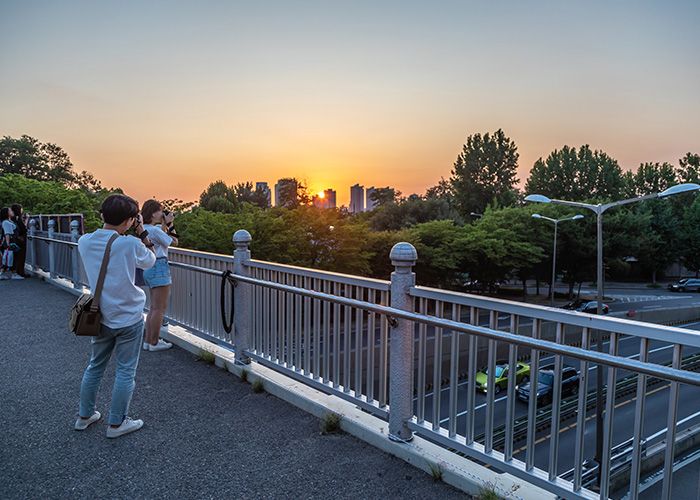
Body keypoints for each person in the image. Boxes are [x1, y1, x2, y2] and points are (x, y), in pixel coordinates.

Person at [75, 194, 156, 438]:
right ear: (131, 220)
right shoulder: (129, 244)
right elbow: (150, 261)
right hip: (128, 317)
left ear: (102, 215)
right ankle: (117, 423)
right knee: (125, 371)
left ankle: (84, 416)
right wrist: (142, 232)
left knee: (95, 366)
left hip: (98, 315)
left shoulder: (84, 241)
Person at [140, 199, 178, 352]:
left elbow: (162, 238)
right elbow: (174, 241)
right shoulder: (155, 230)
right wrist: (170, 224)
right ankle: (154, 342)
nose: (162, 213)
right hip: (159, 267)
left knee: (153, 308)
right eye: (160, 210)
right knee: (159, 308)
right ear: (153, 212)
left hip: (149, 267)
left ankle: (149, 341)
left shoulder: (144, 229)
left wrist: (164, 225)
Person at [1, 206, 23, 280]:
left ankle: (4, 273)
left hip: (12, 241)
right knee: (10, 258)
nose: (12, 212)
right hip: (11, 242)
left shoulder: (9, 221)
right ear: (7, 213)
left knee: (9, 258)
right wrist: (8, 244)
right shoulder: (6, 222)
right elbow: (7, 233)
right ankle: (13, 274)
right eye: (10, 211)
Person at [11, 204, 28, 278]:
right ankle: (20, 272)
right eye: (21, 209)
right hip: (20, 239)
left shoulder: (12, 218)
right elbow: (24, 229)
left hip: (15, 239)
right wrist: (27, 220)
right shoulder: (17, 218)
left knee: (17, 256)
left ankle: (18, 272)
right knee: (21, 256)